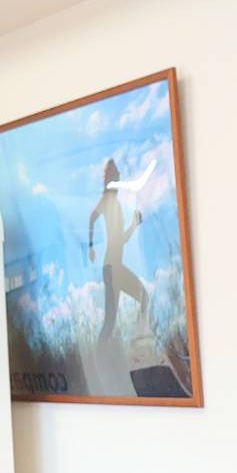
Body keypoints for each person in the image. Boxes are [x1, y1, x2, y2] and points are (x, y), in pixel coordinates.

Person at [87, 158, 150, 389]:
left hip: (113, 267)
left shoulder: (112, 202)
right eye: (116, 174)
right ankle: (102, 360)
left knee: (117, 316)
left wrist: (132, 225)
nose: (120, 176)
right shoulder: (108, 201)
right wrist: (91, 247)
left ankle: (134, 346)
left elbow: (115, 236)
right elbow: (98, 222)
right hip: (112, 267)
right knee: (113, 319)